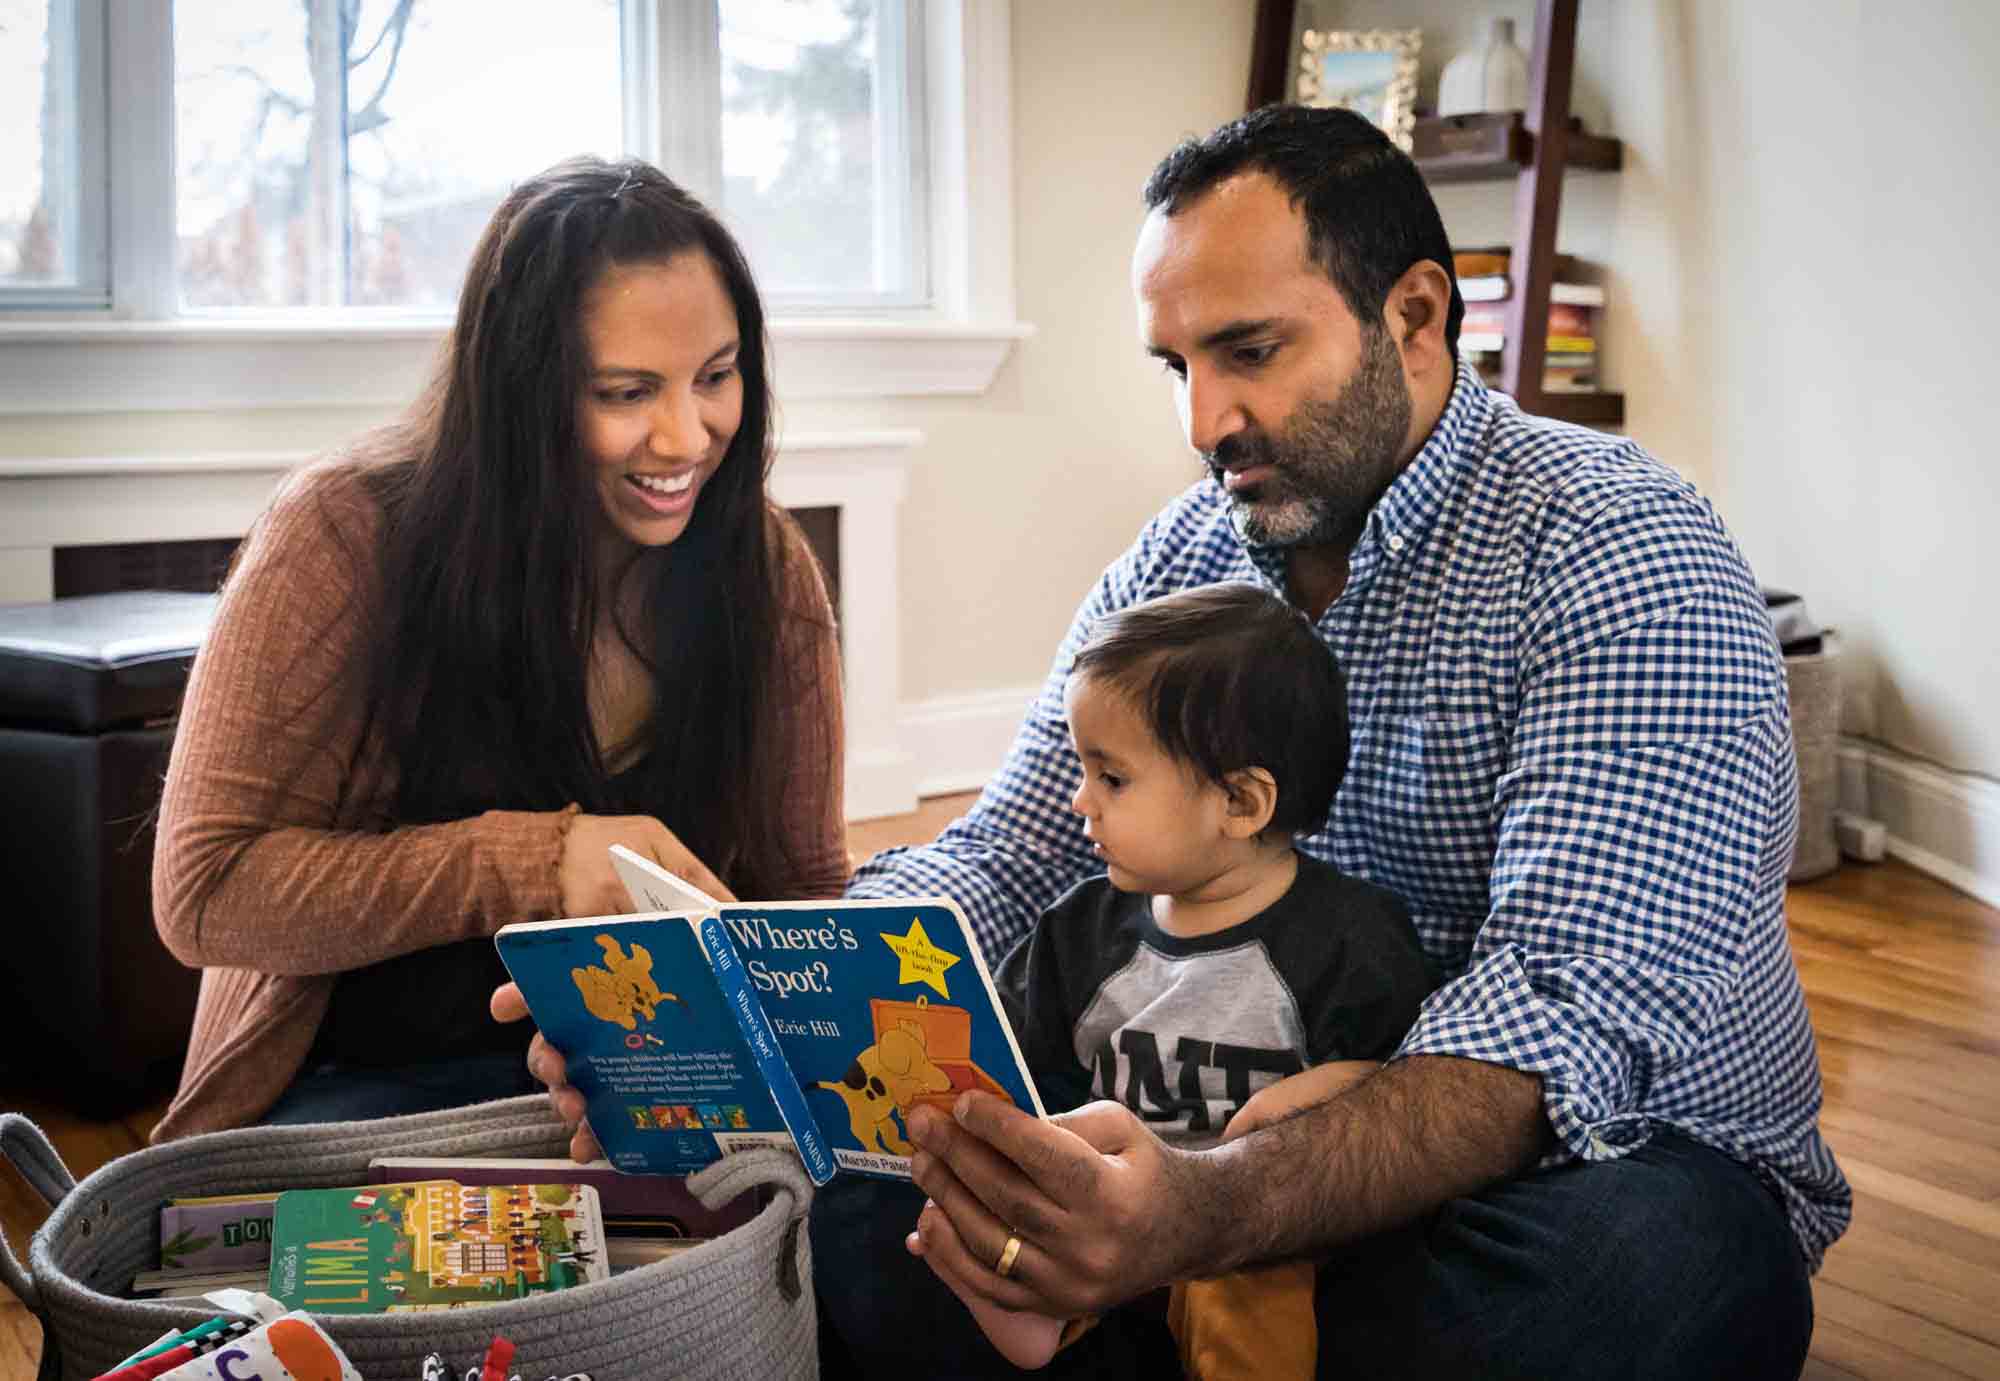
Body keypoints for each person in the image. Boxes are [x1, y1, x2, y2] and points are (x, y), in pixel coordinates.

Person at [517, 105, 1849, 1378]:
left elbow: (1556, 1028)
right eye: (1179, 368)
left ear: (1418, 317)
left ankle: (1155, 1321)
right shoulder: (1182, 561)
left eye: (1250, 351)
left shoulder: (1621, 553)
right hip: (1200, 1134)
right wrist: (744, 994)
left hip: (1583, 1162)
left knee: (1644, 1276)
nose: (1205, 422)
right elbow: (1010, 860)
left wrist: (1197, 1215)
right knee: (869, 1195)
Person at [150, 157, 849, 1144]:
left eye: (716, 377)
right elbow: (206, 894)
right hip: (365, 1083)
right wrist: (541, 859)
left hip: (655, 1082)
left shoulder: (764, 566)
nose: (687, 435)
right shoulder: (340, 533)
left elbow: (800, 886)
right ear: (518, 390)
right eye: (624, 391)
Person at [944, 582, 1435, 1377]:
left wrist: (1304, 1100)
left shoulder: (1351, 943)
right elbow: (1020, 1058)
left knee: (1251, 1294)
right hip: (1099, 1224)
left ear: (1239, 802)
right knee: (956, 1217)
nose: (1080, 801)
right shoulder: (1080, 932)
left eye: (1113, 777)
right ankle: (1042, 1327)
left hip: (1248, 1245)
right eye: (1083, 769)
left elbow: (1403, 1086)